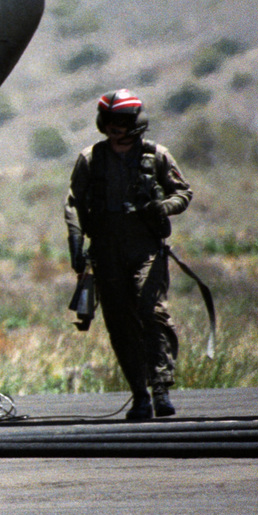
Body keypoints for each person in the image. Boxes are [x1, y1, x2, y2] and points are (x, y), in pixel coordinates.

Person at [64, 90, 193, 421]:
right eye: (109, 122)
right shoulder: (90, 159)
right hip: (106, 253)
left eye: (120, 123)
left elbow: (183, 192)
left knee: (151, 313)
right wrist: (77, 243)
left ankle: (161, 387)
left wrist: (161, 208)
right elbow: (74, 204)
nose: (114, 129)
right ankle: (140, 395)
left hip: (145, 248)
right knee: (119, 324)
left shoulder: (157, 156)